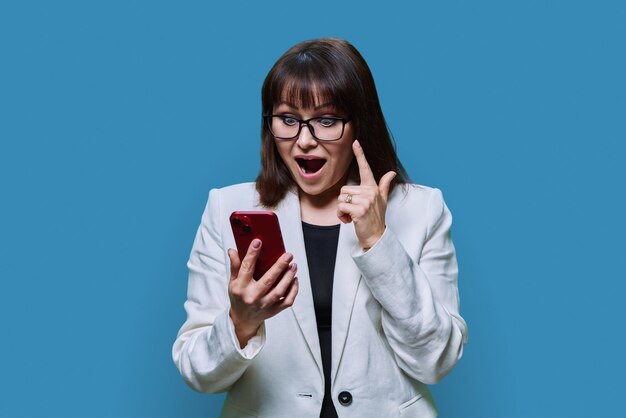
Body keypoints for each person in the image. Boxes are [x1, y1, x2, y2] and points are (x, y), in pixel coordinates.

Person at [172, 38, 468, 418]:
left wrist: (379, 242)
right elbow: (197, 372)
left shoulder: (421, 209)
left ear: (359, 123)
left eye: (327, 121)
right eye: (288, 119)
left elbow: (436, 361)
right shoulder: (226, 208)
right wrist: (240, 323)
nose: (305, 140)